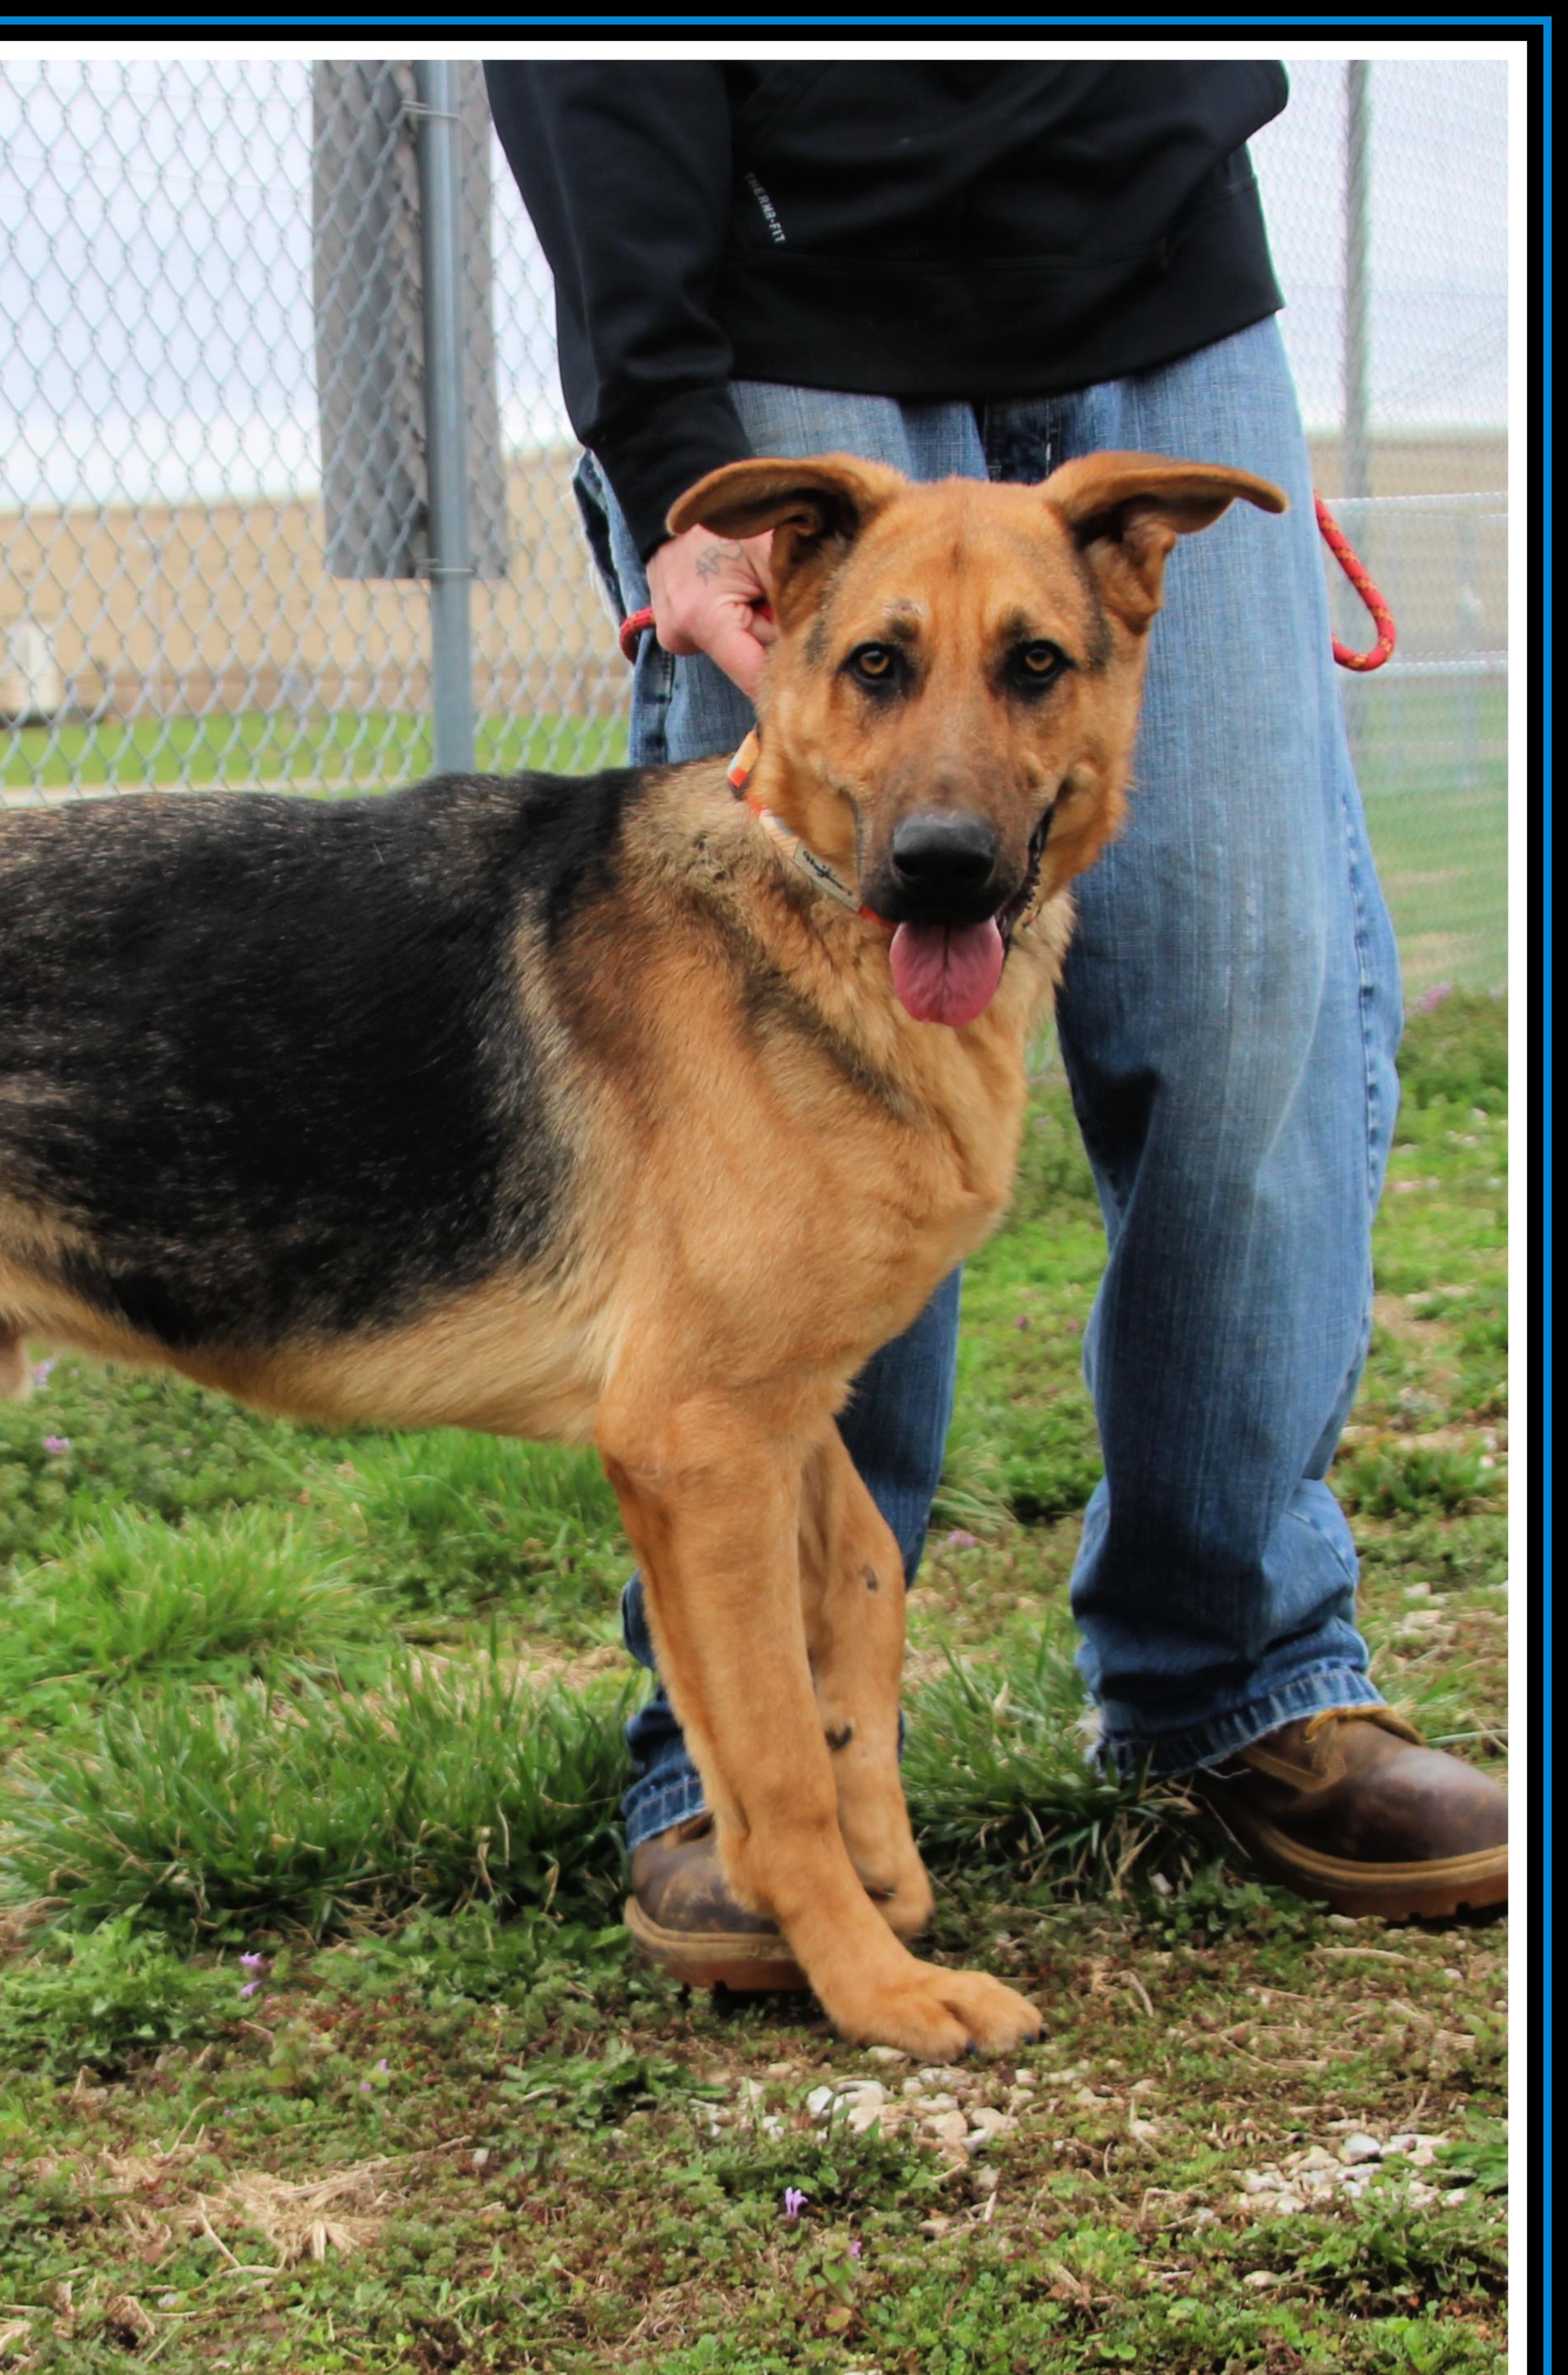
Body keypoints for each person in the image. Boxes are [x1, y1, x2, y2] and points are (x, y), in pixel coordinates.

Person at [484, 61, 1505, 1983]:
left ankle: (1243, 1665)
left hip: (1158, 259)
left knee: (1243, 996)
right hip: (779, 278)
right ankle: (749, 1760)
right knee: (786, 1103)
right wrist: (659, 418)